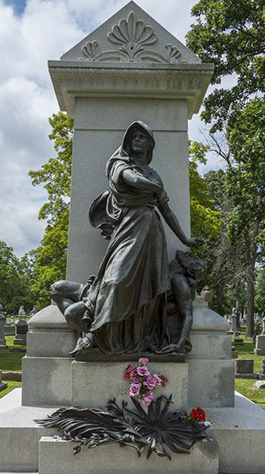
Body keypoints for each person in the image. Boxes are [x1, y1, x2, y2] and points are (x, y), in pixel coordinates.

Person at [51, 121, 201, 355]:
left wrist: (184, 238)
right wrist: (155, 189)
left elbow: (167, 212)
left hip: (151, 232)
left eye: (142, 137)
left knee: (149, 288)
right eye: (133, 137)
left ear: (149, 145)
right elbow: (129, 178)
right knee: (115, 280)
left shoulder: (154, 175)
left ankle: (139, 338)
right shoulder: (120, 164)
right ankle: (98, 335)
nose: (136, 140)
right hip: (128, 229)